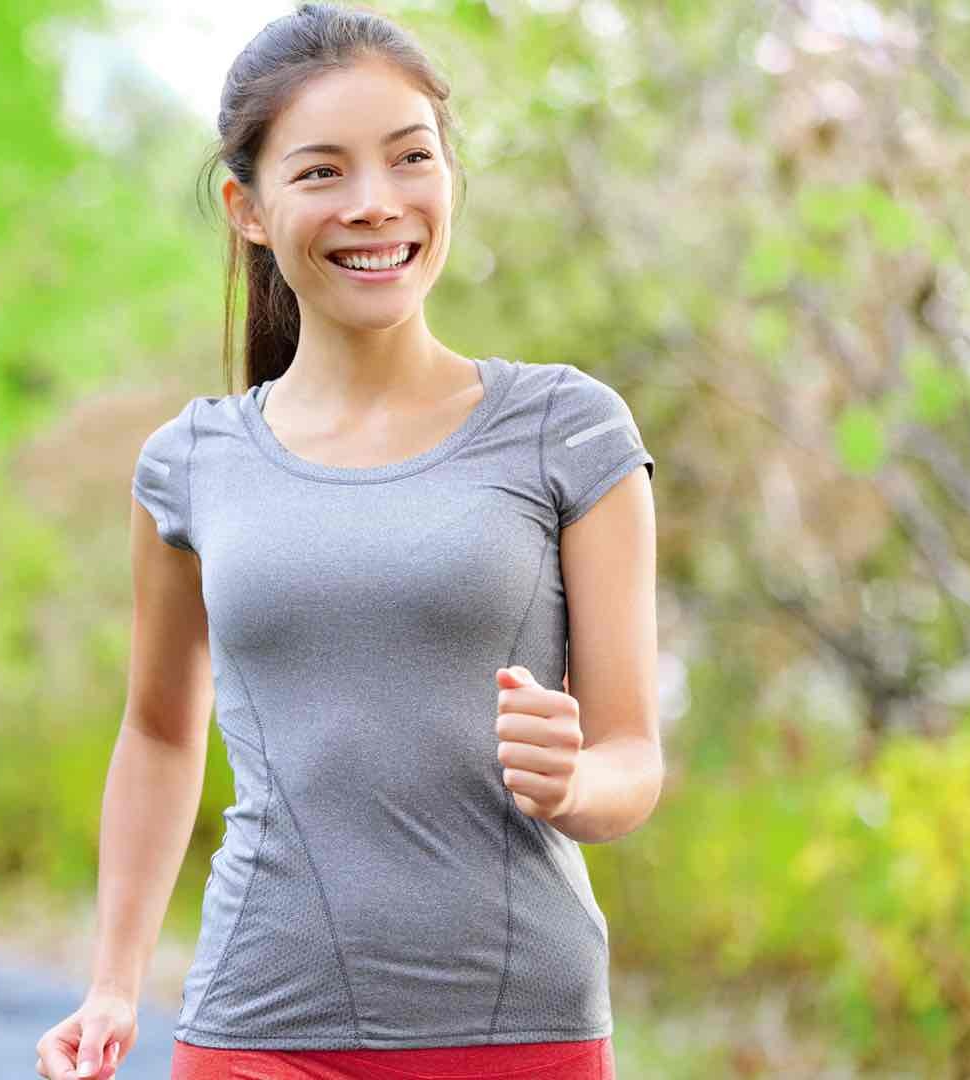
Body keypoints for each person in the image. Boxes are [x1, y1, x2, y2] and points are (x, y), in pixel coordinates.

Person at [34, 4, 662, 1078]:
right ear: (249, 209)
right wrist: (112, 981)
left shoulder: (569, 429)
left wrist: (574, 788)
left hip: (521, 1031)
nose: (376, 204)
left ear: (449, 176)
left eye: (410, 158)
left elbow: (632, 755)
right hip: (259, 1027)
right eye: (321, 172)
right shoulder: (191, 463)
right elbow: (157, 733)